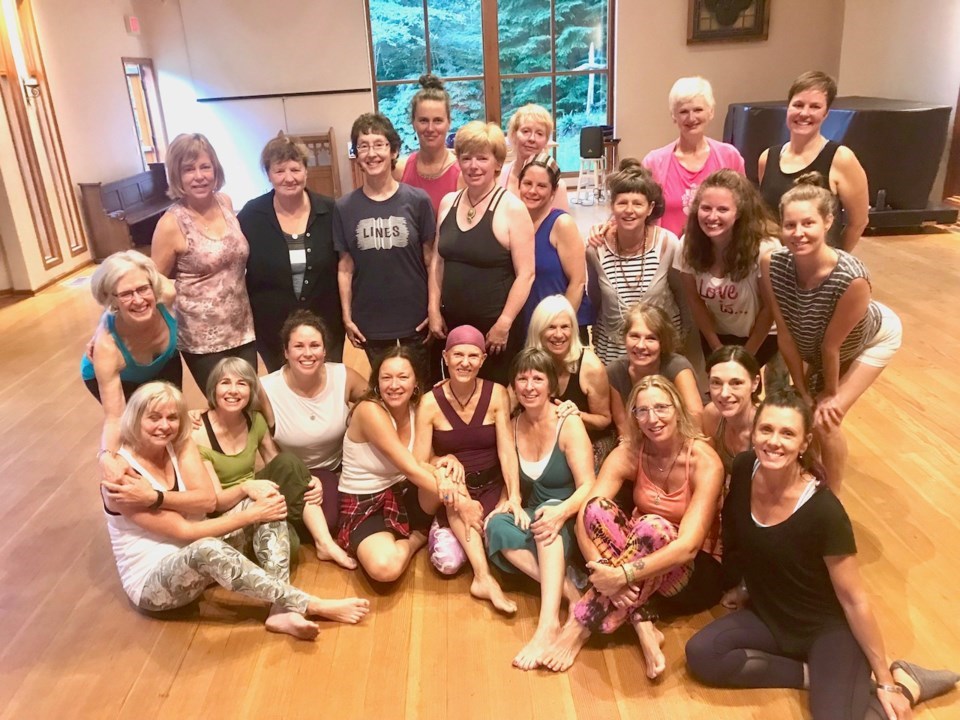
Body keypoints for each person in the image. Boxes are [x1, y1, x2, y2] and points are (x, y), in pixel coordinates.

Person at [686, 389, 959, 720]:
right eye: (767, 429)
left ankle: (905, 682)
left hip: (826, 629)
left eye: (788, 433)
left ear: (804, 443)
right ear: (753, 432)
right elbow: (746, 543)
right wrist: (744, 587)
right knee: (702, 654)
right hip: (769, 614)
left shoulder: (824, 511)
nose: (774, 441)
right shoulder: (745, 469)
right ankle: (821, 678)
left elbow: (854, 599)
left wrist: (884, 682)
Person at [101, 381, 369, 641]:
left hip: (202, 560)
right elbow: (187, 531)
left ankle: (280, 611)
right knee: (210, 544)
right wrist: (251, 516)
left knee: (268, 499)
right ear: (136, 418)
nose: (164, 425)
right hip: (155, 585)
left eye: (172, 418)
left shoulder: (179, 445)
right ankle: (310, 604)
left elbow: (207, 501)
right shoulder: (121, 477)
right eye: (154, 417)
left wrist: (155, 497)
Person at [540, 375, 724, 676]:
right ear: (634, 417)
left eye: (662, 408)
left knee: (653, 526)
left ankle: (580, 624)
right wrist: (603, 570)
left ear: (677, 408)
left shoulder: (705, 460)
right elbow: (586, 520)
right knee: (596, 509)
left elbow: (688, 546)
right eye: (642, 411)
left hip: (692, 574)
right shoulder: (629, 452)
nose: (653, 419)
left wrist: (620, 574)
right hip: (636, 560)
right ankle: (643, 623)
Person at [760, 175, 901, 490]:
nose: (798, 233)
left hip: (870, 341)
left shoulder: (852, 278)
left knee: (825, 417)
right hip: (818, 346)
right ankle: (809, 478)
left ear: (827, 222)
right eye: (790, 225)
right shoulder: (772, 264)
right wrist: (801, 388)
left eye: (808, 223)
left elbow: (831, 347)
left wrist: (827, 394)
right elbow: (783, 332)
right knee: (805, 408)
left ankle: (831, 498)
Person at [486, 349, 596, 670]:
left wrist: (562, 511)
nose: (529, 386)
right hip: (535, 512)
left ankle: (548, 624)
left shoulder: (569, 422)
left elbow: (589, 484)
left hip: (570, 515)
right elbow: (510, 479)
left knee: (545, 517)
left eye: (538, 378)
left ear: (551, 386)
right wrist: (510, 501)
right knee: (496, 526)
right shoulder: (511, 423)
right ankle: (572, 595)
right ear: (513, 385)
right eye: (522, 378)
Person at [192, 357, 346, 566]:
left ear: (251, 390)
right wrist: (246, 487)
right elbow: (216, 502)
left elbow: (279, 464)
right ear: (213, 388)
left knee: (289, 462)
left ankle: (325, 544)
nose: (233, 390)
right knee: (289, 549)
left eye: (242, 383)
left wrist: (306, 480)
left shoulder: (255, 419)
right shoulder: (198, 432)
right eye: (225, 382)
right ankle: (240, 546)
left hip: (258, 494)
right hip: (226, 512)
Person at [412, 325, 519, 613]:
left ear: (483, 360)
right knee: (449, 474)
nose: (465, 362)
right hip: (449, 492)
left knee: (506, 550)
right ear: (445, 357)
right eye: (458, 354)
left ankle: (478, 552)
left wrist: (512, 495)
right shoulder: (429, 403)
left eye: (473, 356)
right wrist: (445, 461)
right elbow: (419, 461)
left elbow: (507, 449)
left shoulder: (497, 394)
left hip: (491, 486)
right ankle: (483, 578)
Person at [338, 347, 462, 583]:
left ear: (416, 382)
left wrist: (444, 461)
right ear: (377, 382)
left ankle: (440, 528)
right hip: (366, 502)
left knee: (448, 470)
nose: (394, 385)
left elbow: (423, 460)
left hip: (405, 492)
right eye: (386, 378)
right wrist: (462, 502)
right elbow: (410, 467)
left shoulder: (418, 408)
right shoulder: (369, 410)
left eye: (403, 377)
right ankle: (417, 538)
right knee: (385, 569)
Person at [259, 310, 367, 568]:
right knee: (327, 522)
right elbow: (240, 422)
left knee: (332, 520)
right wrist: (198, 415)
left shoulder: (343, 376)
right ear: (285, 352)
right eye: (298, 346)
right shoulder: (265, 388)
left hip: (331, 470)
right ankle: (321, 543)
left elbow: (379, 402)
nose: (307, 353)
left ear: (324, 350)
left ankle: (293, 523)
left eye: (314, 345)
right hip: (289, 473)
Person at [430, 121, 535, 385]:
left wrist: (504, 323)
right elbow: (438, 262)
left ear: (497, 163)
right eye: (466, 158)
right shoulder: (447, 203)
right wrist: (433, 309)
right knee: (455, 394)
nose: (473, 166)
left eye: (482, 158)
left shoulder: (513, 208)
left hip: (494, 331)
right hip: (452, 325)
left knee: (494, 397)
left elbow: (527, 274)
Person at [151, 133, 257, 392]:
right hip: (201, 339)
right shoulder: (171, 223)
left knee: (249, 400)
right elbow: (152, 283)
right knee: (226, 406)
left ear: (215, 169)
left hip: (242, 327)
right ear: (177, 176)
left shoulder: (226, 203)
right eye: (188, 169)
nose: (199, 176)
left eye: (205, 166)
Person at [335, 113, 436, 382]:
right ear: (356, 155)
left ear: (393, 150)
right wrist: (347, 317)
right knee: (386, 390)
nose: (371, 153)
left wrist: (433, 308)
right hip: (371, 321)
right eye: (363, 146)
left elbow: (431, 260)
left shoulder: (417, 201)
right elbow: (345, 266)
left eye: (378, 144)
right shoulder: (344, 207)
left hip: (416, 319)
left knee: (419, 390)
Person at [238, 133, 344, 371]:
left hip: (326, 327)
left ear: (306, 171)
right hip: (273, 328)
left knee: (328, 389)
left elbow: (346, 266)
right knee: (284, 395)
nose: (288, 178)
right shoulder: (251, 215)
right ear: (268, 174)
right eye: (279, 171)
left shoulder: (331, 211)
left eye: (295, 170)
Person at [82, 251, 182, 482]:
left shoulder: (166, 294)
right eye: (126, 294)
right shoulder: (107, 348)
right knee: (137, 432)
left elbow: (148, 283)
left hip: (163, 361)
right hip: (123, 373)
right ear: (112, 300)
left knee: (172, 420)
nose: (138, 300)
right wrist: (107, 455)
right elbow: (115, 418)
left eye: (143, 289)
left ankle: (180, 478)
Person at [675, 169, 780, 367]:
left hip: (763, 335)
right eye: (706, 208)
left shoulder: (765, 247)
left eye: (722, 209)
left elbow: (770, 308)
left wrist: (745, 357)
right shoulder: (687, 244)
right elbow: (694, 302)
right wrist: (716, 347)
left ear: (739, 212)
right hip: (717, 335)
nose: (712, 217)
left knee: (746, 387)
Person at [759, 71, 869, 252]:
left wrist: (836, 259)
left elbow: (858, 222)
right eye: (798, 105)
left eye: (815, 107)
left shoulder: (841, 159)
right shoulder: (767, 158)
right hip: (775, 266)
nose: (804, 113)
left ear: (826, 114)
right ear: (788, 107)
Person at [586, 159, 682, 364]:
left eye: (637, 203)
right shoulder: (597, 248)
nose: (629, 210)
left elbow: (682, 299)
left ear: (650, 208)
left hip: (657, 350)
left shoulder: (668, 245)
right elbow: (595, 298)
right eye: (622, 203)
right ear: (612, 206)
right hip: (612, 349)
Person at [642, 77, 746, 236]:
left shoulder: (730, 156)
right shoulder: (654, 162)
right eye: (683, 111)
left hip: (720, 255)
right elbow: (638, 211)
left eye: (698, 110)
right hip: (670, 255)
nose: (691, 118)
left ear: (711, 112)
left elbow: (745, 210)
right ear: (673, 116)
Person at [525, 295, 612, 469]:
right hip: (544, 443)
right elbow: (507, 403)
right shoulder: (529, 362)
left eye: (565, 327)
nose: (559, 334)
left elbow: (604, 420)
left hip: (587, 442)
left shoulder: (590, 365)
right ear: (538, 330)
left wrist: (577, 415)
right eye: (551, 327)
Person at [517, 152, 591, 337]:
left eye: (542, 186)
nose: (532, 191)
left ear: (553, 191)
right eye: (527, 183)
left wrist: (559, 327)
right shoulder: (515, 223)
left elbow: (578, 282)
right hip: (528, 325)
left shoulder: (561, 224)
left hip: (560, 329)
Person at [606, 303, 703, 438]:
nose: (640, 345)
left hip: (680, 438)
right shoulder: (614, 372)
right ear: (625, 338)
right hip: (638, 443)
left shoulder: (677, 366)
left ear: (662, 343)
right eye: (634, 336)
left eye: (651, 338)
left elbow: (695, 418)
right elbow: (624, 428)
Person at [394, 74, 463, 214]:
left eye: (437, 120)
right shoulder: (399, 171)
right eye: (423, 121)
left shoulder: (462, 173)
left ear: (449, 123)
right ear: (413, 123)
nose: (430, 129)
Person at [702, 345, 761, 481]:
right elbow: (711, 469)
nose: (724, 393)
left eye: (736, 383)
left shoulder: (767, 424)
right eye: (716, 383)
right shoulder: (711, 414)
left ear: (755, 383)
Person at [499, 104, 570, 211]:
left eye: (539, 133)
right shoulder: (498, 177)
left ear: (546, 140)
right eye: (526, 131)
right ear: (513, 134)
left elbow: (561, 226)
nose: (532, 139)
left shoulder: (557, 186)